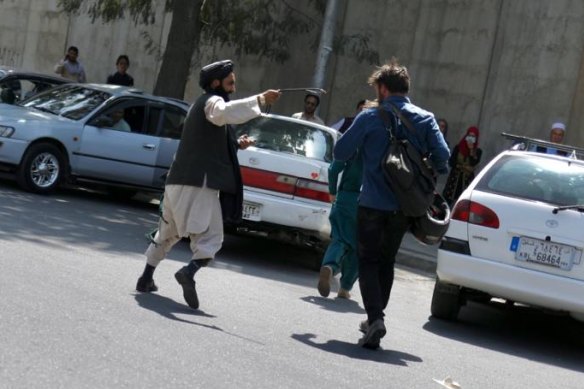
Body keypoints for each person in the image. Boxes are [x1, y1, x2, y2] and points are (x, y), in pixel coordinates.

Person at [135, 59, 281, 310]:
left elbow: (209, 140)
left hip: (177, 182)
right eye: (230, 83)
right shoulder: (212, 102)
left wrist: (237, 144)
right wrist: (260, 100)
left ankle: (146, 277)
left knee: (168, 233)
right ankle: (189, 272)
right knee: (212, 237)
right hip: (197, 184)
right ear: (216, 84)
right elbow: (222, 112)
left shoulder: (199, 106)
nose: (233, 88)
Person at [334, 59, 450, 349]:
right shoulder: (425, 118)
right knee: (386, 261)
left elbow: (340, 151)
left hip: (372, 203)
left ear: (383, 89)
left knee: (368, 261)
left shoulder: (368, 118)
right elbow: (443, 157)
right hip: (404, 206)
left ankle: (375, 318)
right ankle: (376, 317)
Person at [317, 151, 363, 299]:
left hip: (345, 198)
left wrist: (332, 191)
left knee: (340, 238)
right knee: (359, 246)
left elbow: (334, 169)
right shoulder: (387, 139)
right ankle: (345, 288)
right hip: (370, 203)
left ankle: (330, 266)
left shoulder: (354, 138)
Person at [442, 126, 482, 206]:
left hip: (467, 180)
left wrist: (471, 150)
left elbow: (473, 163)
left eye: (473, 136)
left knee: (464, 202)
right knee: (447, 199)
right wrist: (464, 167)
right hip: (454, 178)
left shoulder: (478, 151)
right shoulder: (458, 147)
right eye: (469, 135)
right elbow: (451, 162)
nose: (471, 138)